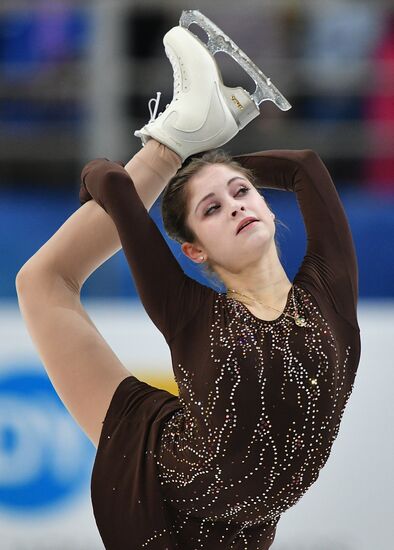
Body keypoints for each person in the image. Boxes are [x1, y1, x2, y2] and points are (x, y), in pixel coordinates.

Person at [16, 21, 360, 550]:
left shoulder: (328, 292)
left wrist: (214, 162)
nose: (238, 205)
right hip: (160, 478)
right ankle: (177, 137)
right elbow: (112, 185)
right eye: (213, 209)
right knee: (41, 282)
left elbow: (305, 168)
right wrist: (153, 160)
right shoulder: (192, 314)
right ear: (194, 250)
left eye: (243, 192)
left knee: (41, 282)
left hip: (228, 527)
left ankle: (190, 132)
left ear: (267, 205)